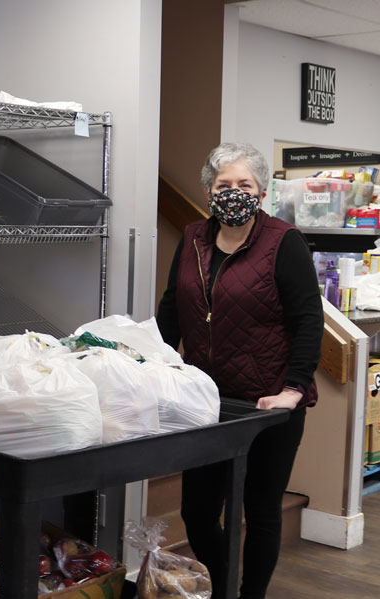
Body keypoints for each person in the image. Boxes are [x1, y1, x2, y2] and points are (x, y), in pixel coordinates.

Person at [155, 142, 324, 599]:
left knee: (261, 509)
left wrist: (293, 389)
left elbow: (309, 321)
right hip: (207, 401)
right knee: (198, 511)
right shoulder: (192, 237)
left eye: (243, 184)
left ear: (262, 191)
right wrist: (154, 365)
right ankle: (224, 584)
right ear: (209, 191)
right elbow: (172, 309)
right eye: (223, 184)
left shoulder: (283, 242)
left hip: (267, 403)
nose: (233, 192)